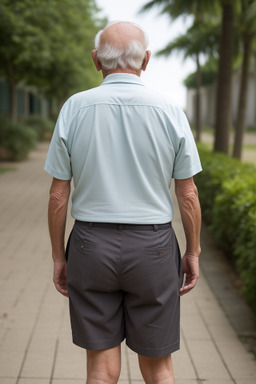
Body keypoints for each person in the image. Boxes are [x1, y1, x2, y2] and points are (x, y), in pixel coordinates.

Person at [45, 21, 202, 384]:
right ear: (145, 59)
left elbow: (57, 194)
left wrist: (58, 256)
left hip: (89, 245)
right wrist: (192, 250)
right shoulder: (169, 110)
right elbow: (188, 193)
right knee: (159, 367)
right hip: (155, 249)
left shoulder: (75, 108)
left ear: (96, 60)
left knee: (100, 368)